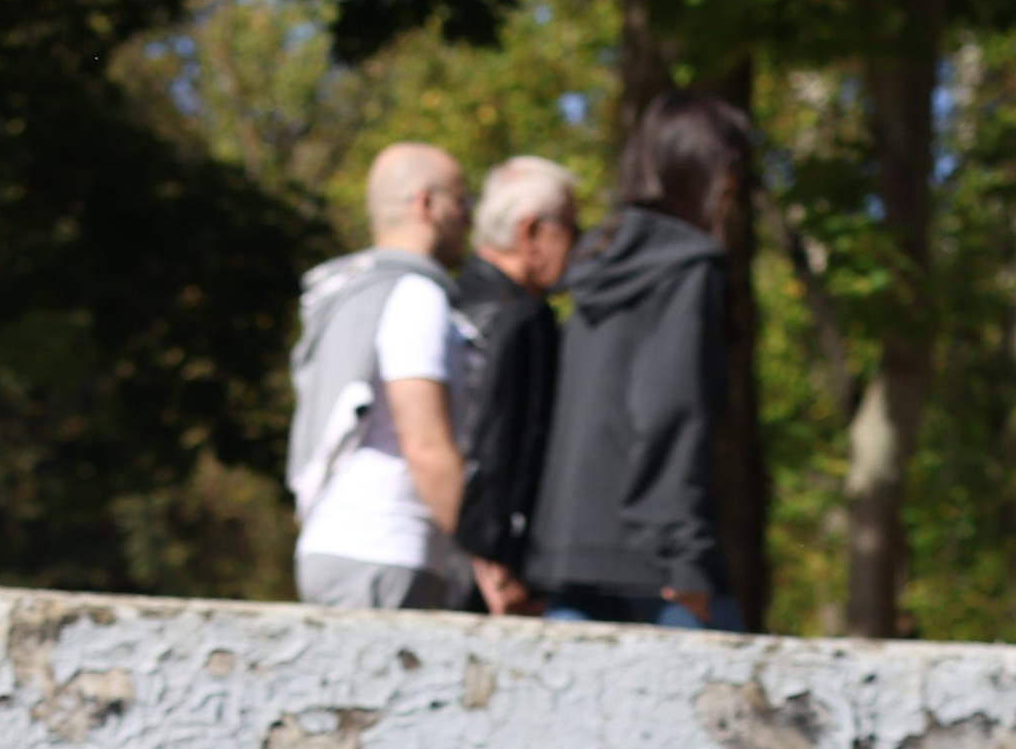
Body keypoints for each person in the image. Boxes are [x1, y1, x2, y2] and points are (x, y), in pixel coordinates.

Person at [525, 90, 753, 631]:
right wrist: (686, 557)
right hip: (659, 569)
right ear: (705, 170)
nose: (733, 190)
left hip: (569, 557)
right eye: (730, 172)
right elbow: (670, 410)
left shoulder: (595, 260)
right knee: (734, 708)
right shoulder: (685, 268)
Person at [286, 143, 473, 612]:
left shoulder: (347, 292)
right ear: (425, 203)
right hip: (386, 550)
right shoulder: (414, 296)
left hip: (336, 543)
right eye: (461, 200)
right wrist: (484, 557)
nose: (468, 218)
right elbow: (425, 444)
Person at [454, 156, 578, 617]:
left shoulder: (447, 298)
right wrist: (498, 559)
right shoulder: (523, 319)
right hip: (489, 573)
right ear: (530, 232)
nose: (578, 242)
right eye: (570, 225)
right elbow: (498, 444)